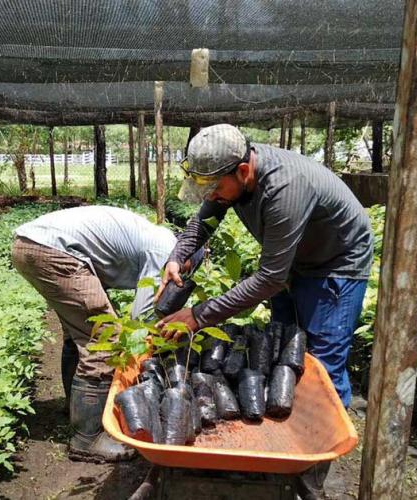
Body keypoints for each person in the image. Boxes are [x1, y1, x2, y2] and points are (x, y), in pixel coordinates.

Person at [155, 124, 374, 499]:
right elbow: (203, 221)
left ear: (242, 172)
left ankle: (314, 468)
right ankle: (283, 438)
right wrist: (178, 257)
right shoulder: (230, 175)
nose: (211, 195)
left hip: (336, 263)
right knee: (282, 349)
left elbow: (270, 279)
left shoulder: (284, 189)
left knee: (323, 361)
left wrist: (198, 315)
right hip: (294, 261)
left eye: (215, 187)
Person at [11, 205, 179, 463]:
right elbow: (141, 318)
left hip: (32, 243)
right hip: (52, 250)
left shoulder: (159, 238)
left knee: (78, 332)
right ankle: (87, 439)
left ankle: (76, 408)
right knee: (104, 339)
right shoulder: (165, 252)